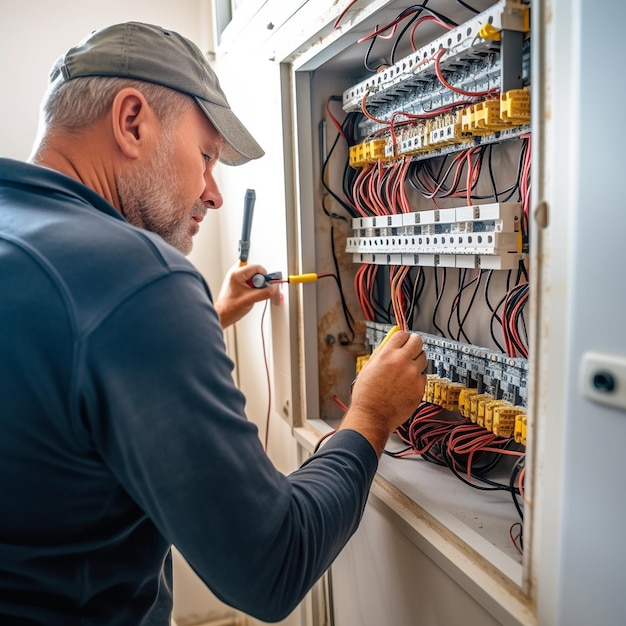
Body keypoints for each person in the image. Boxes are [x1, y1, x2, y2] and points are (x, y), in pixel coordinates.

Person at [0, 21, 427, 625]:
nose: (213, 193)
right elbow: (271, 565)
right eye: (205, 157)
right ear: (131, 121)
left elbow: (57, 364)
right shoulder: (137, 279)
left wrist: (203, 312)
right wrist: (371, 416)